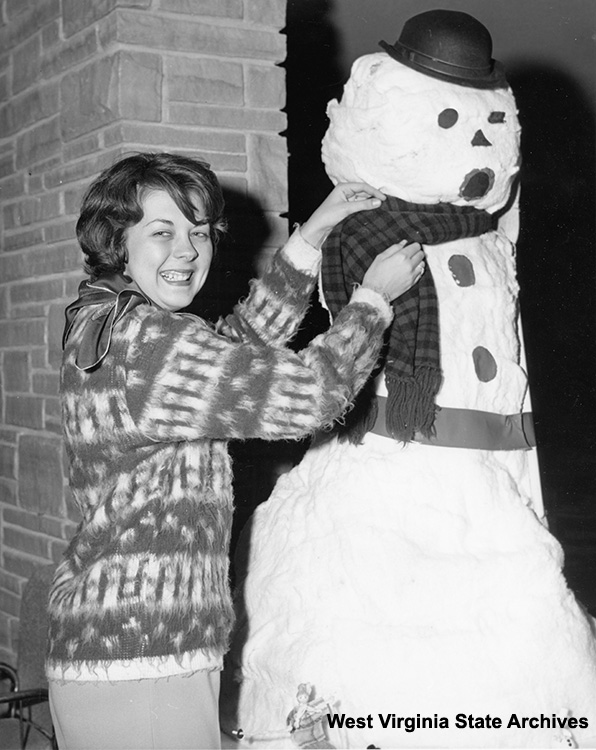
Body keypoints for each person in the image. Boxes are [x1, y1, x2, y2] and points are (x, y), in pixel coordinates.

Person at [46, 151, 424, 750]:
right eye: (162, 231)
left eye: (199, 232)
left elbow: (234, 348)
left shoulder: (107, 319)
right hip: (145, 658)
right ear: (116, 239)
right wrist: (373, 303)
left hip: (123, 649)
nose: (189, 251)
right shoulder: (147, 339)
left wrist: (314, 233)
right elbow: (309, 395)